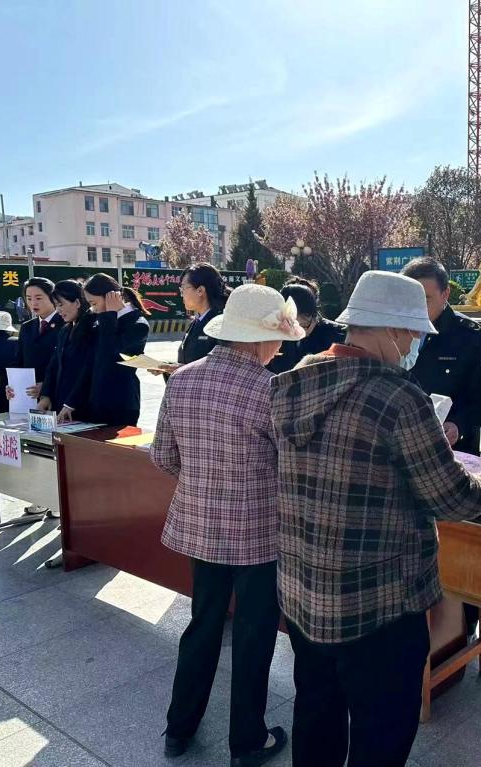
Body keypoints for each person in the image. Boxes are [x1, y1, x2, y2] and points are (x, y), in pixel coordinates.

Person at [270, 270, 481, 767]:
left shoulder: (293, 381)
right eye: (412, 334)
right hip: (380, 605)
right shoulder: (399, 398)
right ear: (391, 329)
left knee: (316, 718)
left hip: (304, 593)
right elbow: (451, 498)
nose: (413, 345)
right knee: (382, 734)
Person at [151, 284, 302, 766]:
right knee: (254, 636)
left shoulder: (181, 379)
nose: (280, 349)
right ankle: (247, 741)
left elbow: (163, 456)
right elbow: (291, 471)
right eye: (278, 340)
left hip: (200, 528)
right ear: (261, 339)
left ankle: (179, 728)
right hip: (259, 536)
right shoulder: (272, 389)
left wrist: (205, 482)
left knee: (203, 625)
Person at [401, 257, 481, 458]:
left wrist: (459, 425)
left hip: (453, 454)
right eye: (409, 298)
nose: (416, 307)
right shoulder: (392, 330)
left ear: (446, 294)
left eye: (426, 299)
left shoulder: (469, 335)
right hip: (404, 453)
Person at [83, 273, 150, 427]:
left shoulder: (137, 324)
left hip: (121, 402)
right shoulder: (101, 319)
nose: (93, 309)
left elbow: (111, 352)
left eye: (94, 303)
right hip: (97, 400)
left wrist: (109, 315)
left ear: (111, 297)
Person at [154, 263, 230, 379]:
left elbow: (221, 369)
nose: (181, 294)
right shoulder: (197, 320)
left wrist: (181, 369)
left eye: (183, 288)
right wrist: (168, 367)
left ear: (200, 290)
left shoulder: (220, 322)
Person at [39, 280, 97, 423]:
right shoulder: (65, 330)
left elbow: (88, 372)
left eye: (61, 304)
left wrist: (71, 403)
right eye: (56, 306)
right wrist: (46, 395)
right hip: (61, 404)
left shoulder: (93, 330)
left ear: (77, 302)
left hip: (83, 405)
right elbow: (54, 365)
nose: (58, 310)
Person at [266, 277, 346, 375]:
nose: (297, 333)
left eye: (303, 326)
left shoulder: (337, 335)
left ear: (315, 316)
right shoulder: (274, 336)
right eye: (290, 326)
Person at [15, 277, 64, 399]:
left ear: (53, 298)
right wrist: (13, 385)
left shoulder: (65, 324)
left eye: (38, 298)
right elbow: (19, 361)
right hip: (28, 396)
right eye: (29, 298)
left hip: (57, 395)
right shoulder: (27, 327)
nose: (33, 303)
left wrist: (47, 386)